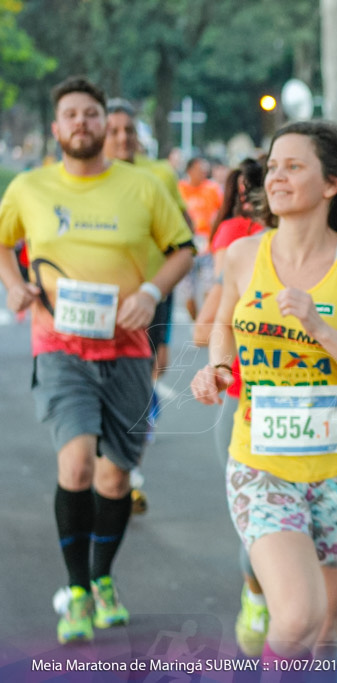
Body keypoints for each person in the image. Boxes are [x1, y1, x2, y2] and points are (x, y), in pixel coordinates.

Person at [189, 120, 337, 662]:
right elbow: (221, 323)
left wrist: (324, 331)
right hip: (261, 466)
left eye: (293, 165)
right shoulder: (243, 255)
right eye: (273, 165)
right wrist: (216, 366)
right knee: (297, 619)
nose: (276, 176)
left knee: (324, 637)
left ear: (331, 184)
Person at [0, 76, 194, 644]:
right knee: (78, 463)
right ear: (56, 128)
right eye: (71, 115)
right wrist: (13, 283)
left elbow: (183, 249)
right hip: (60, 347)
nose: (82, 123)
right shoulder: (30, 188)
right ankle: (77, 590)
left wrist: (151, 294)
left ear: (102, 126)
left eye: (91, 114)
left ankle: (103, 579)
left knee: (113, 478)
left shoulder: (143, 187)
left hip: (127, 350)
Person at [191, 157, 268, 656]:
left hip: (324, 418)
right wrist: (218, 365)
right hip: (246, 403)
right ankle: (256, 592)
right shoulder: (240, 245)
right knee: (258, 520)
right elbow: (205, 326)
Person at [103, 97, 190, 515]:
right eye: (113, 129)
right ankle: (116, 465)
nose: (122, 137)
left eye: (128, 129)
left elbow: (181, 235)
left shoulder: (159, 175)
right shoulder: (89, 176)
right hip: (104, 298)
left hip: (153, 293)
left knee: (152, 370)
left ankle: (131, 459)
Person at [177, 156, 222, 319]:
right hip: (186, 247)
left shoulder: (213, 189)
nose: (202, 173)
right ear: (189, 171)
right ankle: (196, 323)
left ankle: (205, 322)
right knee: (187, 294)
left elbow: (222, 211)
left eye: (204, 170)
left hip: (207, 248)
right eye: (198, 170)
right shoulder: (180, 189)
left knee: (210, 289)